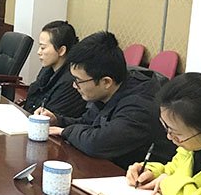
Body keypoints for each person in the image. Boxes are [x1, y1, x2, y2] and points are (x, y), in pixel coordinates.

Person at [37, 31, 175, 168]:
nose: (74, 85)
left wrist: (65, 132)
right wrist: (58, 120)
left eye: (78, 80)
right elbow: (88, 123)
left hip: (141, 176)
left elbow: (97, 143)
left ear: (106, 82)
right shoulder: (110, 90)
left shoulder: (140, 105)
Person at [23, 21, 86, 118]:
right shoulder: (47, 69)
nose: (38, 52)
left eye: (43, 48)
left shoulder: (70, 81)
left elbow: (48, 116)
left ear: (61, 50)